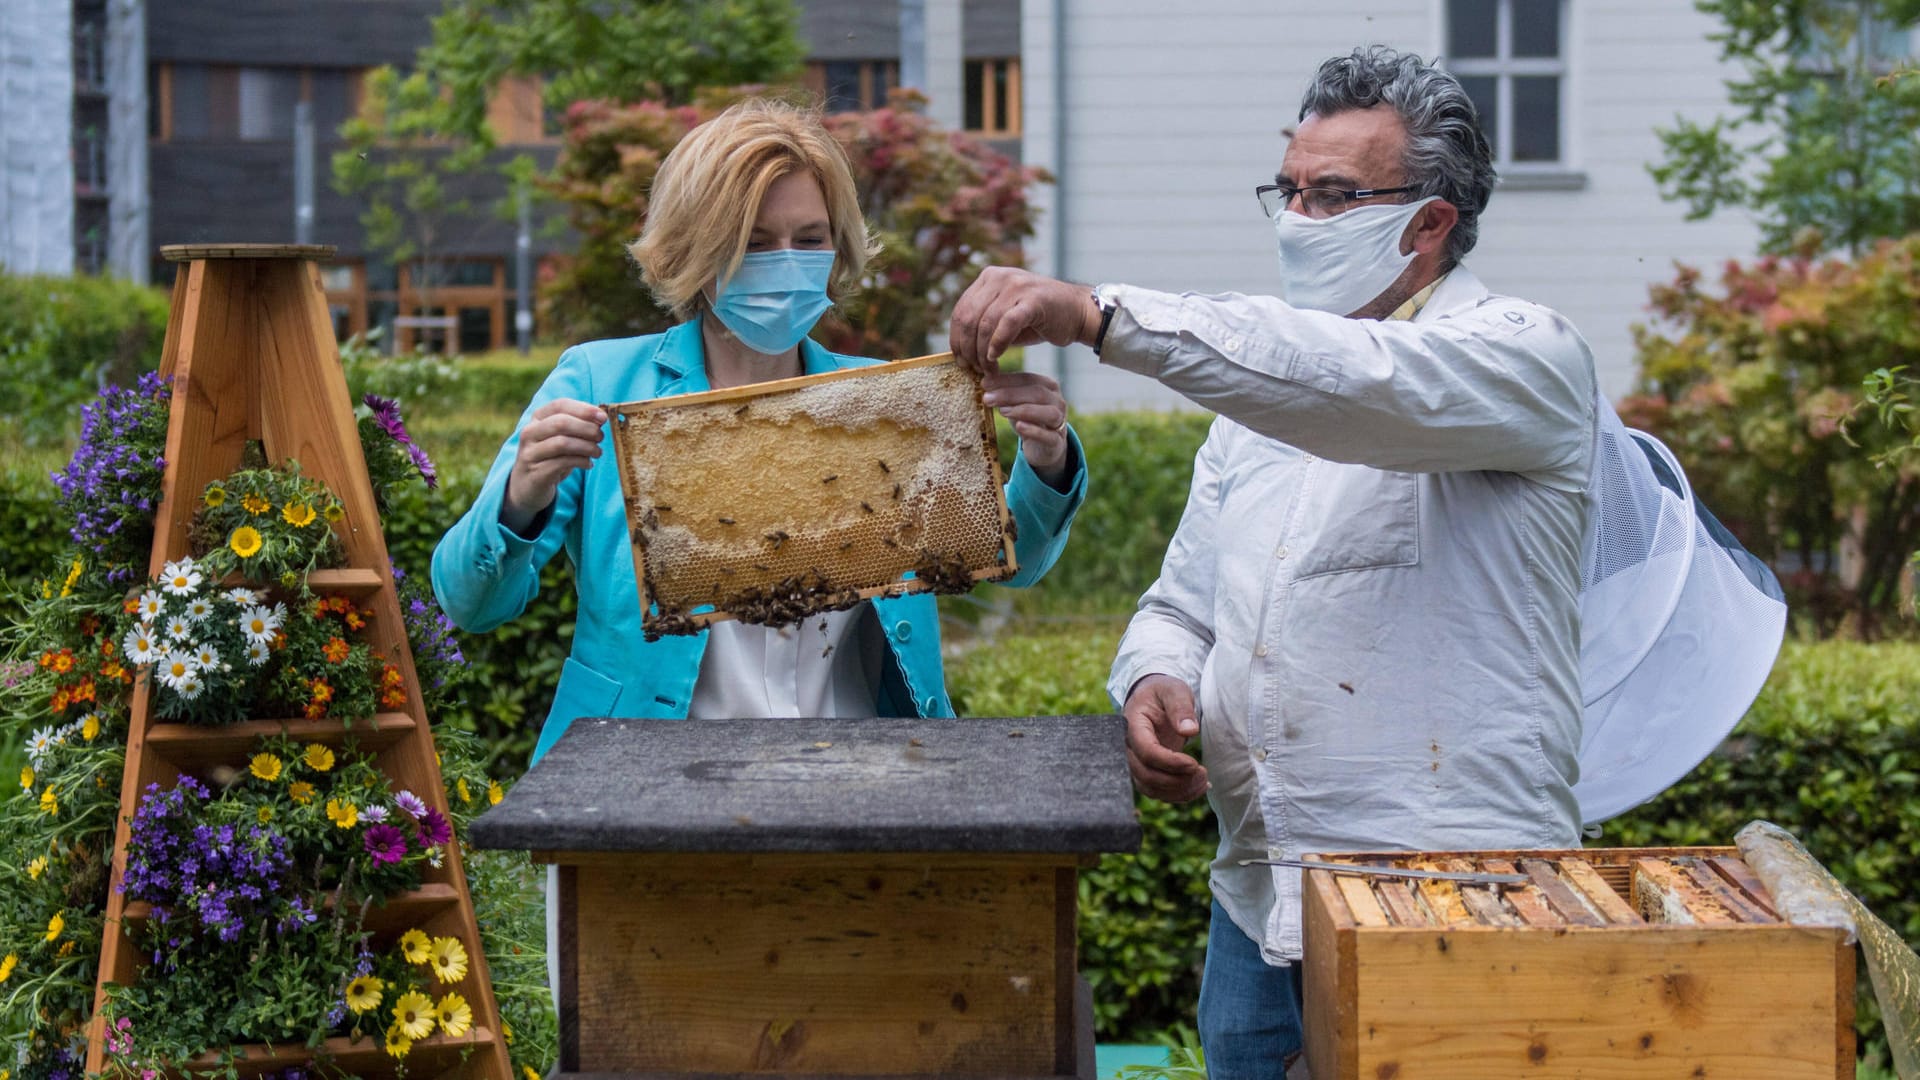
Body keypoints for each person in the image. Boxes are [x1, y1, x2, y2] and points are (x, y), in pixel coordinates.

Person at [946, 47, 1595, 1076]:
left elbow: (1357, 386)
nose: (1297, 218)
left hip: (1456, 897)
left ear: (1429, 224)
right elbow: (1183, 603)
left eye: (1334, 196)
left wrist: (1101, 315)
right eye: (1288, 190)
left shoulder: (1521, 353)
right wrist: (1154, 678)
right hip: (1258, 897)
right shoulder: (1255, 415)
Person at [432, 97, 1087, 756]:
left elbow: (1003, 561)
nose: (786, 260)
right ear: (696, 247)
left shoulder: (886, 402)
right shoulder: (601, 385)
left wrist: (1046, 462)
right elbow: (470, 601)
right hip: (641, 785)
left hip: (865, 778)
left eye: (809, 240)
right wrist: (523, 495)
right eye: (753, 241)